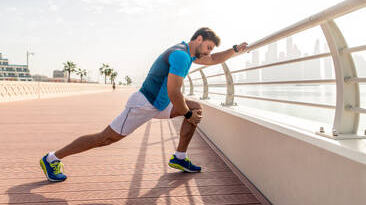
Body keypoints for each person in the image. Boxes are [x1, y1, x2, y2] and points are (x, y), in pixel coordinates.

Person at [40, 27, 249, 182]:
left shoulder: (187, 53)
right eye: (208, 47)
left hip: (161, 104)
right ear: (199, 38)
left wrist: (234, 50)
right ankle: (51, 159)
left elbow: (213, 61)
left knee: (196, 107)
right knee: (105, 138)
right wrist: (186, 115)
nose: (208, 53)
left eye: (211, 49)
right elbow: (174, 91)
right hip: (144, 104)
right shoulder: (181, 55)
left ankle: (180, 157)